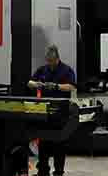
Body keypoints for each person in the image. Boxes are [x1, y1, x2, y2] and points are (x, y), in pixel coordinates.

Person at [28, 45, 77, 176]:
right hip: (45, 111)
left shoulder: (66, 70)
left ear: (57, 59)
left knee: (59, 143)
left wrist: (57, 86)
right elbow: (29, 82)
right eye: (48, 61)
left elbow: (71, 86)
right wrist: (37, 84)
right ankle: (43, 170)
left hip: (61, 112)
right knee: (43, 142)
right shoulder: (42, 70)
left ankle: (58, 172)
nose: (50, 64)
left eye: (52, 61)